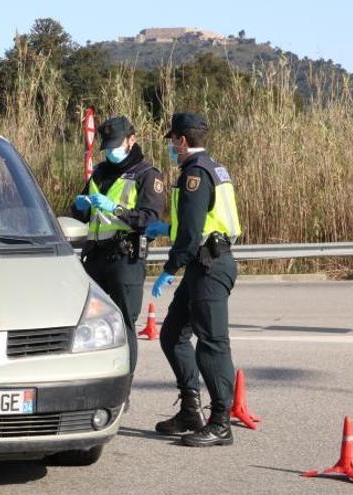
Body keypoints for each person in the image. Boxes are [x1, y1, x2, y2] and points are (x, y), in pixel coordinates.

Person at [148, 112, 242, 447]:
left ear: (182, 140)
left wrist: (169, 269)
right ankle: (190, 409)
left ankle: (220, 422)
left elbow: (190, 233)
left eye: (173, 140)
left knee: (212, 345)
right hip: (204, 263)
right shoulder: (214, 167)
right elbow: (196, 223)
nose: (172, 147)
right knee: (172, 334)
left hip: (208, 266)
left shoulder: (195, 175)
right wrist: (168, 229)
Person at [71, 116, 164, 377]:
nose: (111, 151)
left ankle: (123, 386)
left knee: (123, 324)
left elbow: (150, 219)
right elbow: (81, 215)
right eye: (108, 146)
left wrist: (117, 209)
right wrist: (79, 207)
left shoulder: (147, 175)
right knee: (89, 324)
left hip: (125, 258)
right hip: (95, 257)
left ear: (131, 140)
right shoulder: (99, 173)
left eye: (116, 145)